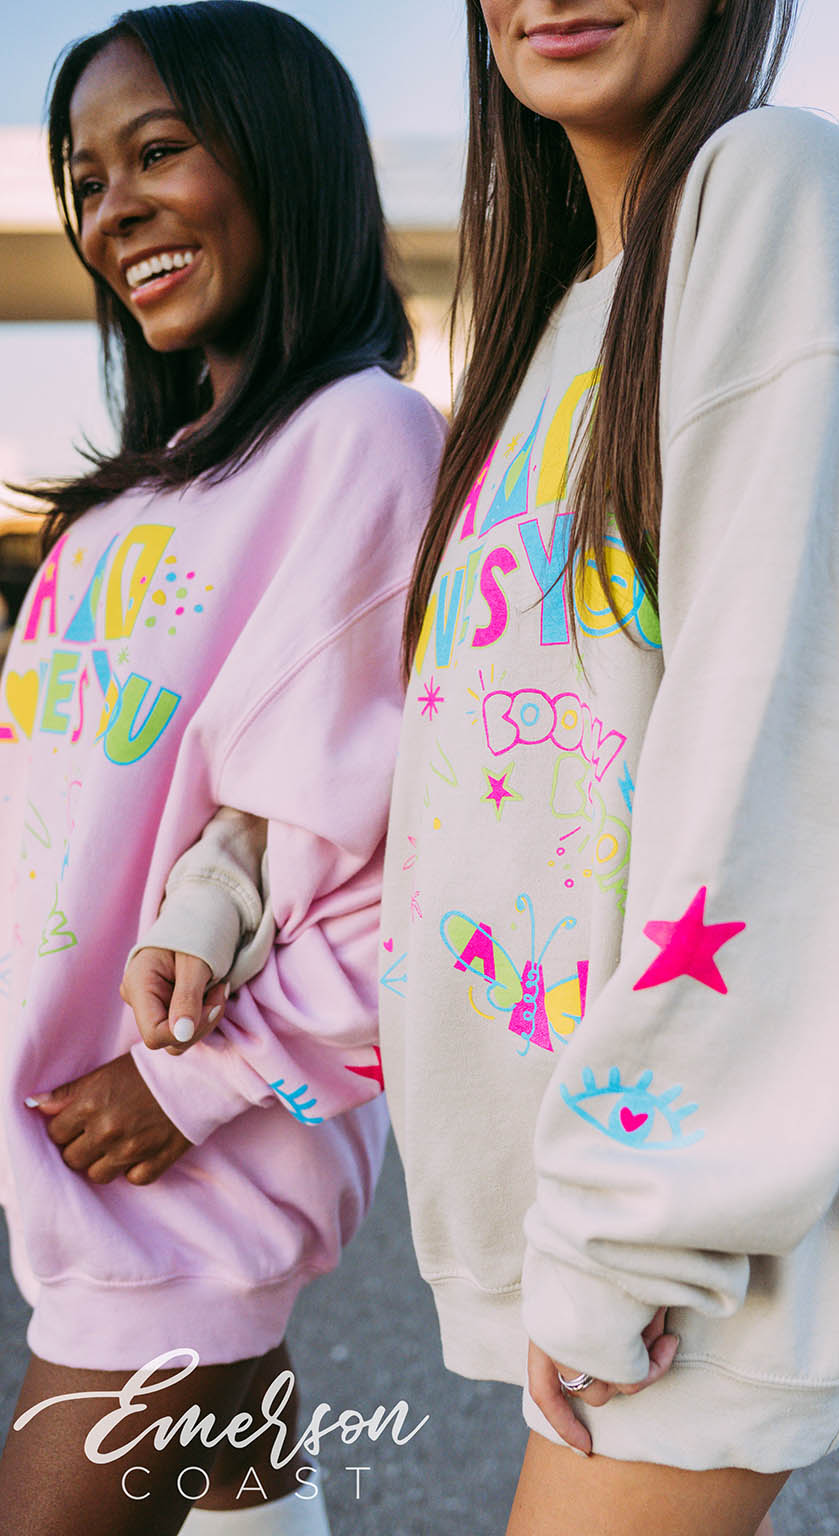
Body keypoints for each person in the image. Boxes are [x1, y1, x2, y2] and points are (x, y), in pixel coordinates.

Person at [121, 1, 839, 1533]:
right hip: (587, 1202)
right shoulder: (547, 334)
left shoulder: (768, 190)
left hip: (687, 1217)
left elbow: (808, 746)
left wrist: (634, 1228)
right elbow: (424, 726)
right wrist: (225, 886)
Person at [0, 5, 443, 1534]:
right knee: (244, 1475)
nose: (113, 208)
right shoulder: (119, 510)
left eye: (159, 151)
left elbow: (418, 859)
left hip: (179, 1152)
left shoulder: (366, 443)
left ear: (284, 160)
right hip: (76, 1139)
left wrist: (191, 1083)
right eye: (85, 178)